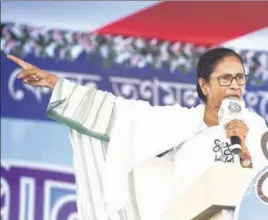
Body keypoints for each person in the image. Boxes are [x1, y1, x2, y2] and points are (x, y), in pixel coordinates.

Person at [7, 48, 268, 220]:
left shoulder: (253, 126)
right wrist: (55, 84)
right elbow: (117, 113)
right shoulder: (179, 121)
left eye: (240, 78)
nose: (235, 86)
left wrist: (243, 151)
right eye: (225, 79)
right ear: (204, 85)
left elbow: (260, 186)